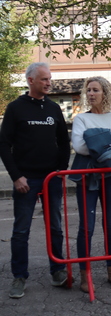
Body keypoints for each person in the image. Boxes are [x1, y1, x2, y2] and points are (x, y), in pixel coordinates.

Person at [0, 62, 70, 299]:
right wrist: (16, 176)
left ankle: (57, 270)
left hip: (51, 178)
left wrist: (60, 171)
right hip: (25, 180)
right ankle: (19, 277)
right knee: (21, 231)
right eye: (44, 79)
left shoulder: (53, 108)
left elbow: (64, 142)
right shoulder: (15, 108)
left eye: (49, 78)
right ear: (31, 80)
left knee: (55, 227)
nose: (49, 83)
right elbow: (3, 144)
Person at [71, 76, 111, 292]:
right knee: (86, 226)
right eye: (89, 90)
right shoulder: (81, 119)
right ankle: (85, 275)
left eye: (95, 90)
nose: (91, 94)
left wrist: (94, 137)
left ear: (105, 92)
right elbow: (79, 147)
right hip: (87, 178)